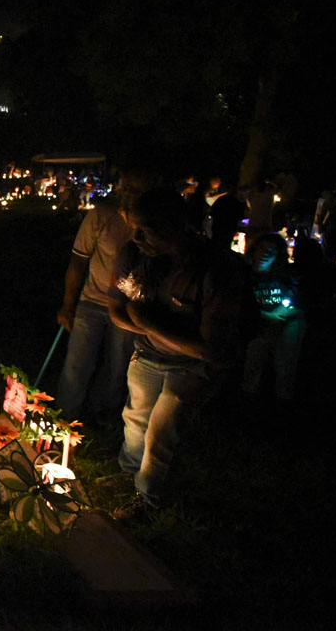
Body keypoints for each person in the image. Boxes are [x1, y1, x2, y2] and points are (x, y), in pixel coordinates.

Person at [107, 188, 246, 520]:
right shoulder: (134, 254)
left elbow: (211, 349)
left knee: (161, 430)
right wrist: (151, 330)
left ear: (176, 224)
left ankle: (148, 501)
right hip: (149, 355)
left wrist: (149, 324)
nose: (137, 237)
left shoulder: (216, 268)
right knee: (136, 419)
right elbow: (116, 308)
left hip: (193, 366)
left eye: (147, 228)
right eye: (134, 227)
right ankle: (128, 475)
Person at [54, 168, 155, 422]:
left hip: (129, 308)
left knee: (118, 366)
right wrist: (68, 305)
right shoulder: (101, 216)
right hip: (92, 302)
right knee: (77, 364)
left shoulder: (153, 223)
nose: (130, 192)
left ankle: (103, 416)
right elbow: (78, 263)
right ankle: (65, 418)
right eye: (128, 186)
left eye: (138, 188)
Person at [241, 233, 305, 404]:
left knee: (286, 364)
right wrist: (268, 316)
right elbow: (240, 306)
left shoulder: (284, 276)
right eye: (262, 248)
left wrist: (284, 314)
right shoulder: (244, 276)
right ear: (253, 251)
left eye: (271, 251)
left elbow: (298, 302)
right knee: (254, 360)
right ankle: (249, 399)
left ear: (278, 255)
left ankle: (283, 400)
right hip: (258, 325)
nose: (265, 254)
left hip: (287, 324)